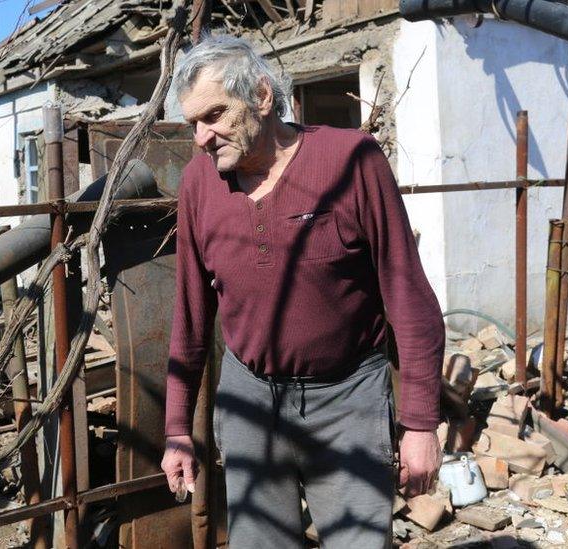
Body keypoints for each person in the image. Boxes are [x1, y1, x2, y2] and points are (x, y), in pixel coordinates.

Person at [160, 34, 445, 548]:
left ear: (263, 98)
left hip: (348, 401)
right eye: (193, 123)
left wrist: (421, 424)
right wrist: (177, 429)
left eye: (215, 115)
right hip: (250, 402)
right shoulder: (198, 184)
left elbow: (408, 296)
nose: (202, 136)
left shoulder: (351, 161)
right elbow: (190, 316)